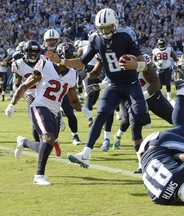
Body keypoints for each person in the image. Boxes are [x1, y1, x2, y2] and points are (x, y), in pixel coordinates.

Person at [45, 8, 151, 168]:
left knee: (141, 118)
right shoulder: (96, 39)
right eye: (102, 29)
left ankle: (146, 157)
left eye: (107, 28)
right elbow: (81, 62)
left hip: (131, 84)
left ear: (114, 25)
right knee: (100, 114)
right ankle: (86, 154)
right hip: (113, 85)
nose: (105, 32)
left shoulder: (124, 38)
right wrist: (60, 61)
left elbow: (144, 64)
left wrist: (136, 64)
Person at [4, 42, 89, 185]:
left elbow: (73, 100)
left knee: (46, 146)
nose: (71, 59)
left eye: (72, 56)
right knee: (49, 139)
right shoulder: (45, 65)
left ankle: (23, 142)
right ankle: (38, 176)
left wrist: (84, 109)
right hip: (39, 106)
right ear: (60, 56)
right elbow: (25, 85)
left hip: (54, 112)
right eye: (68, 56)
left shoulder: (73, 74)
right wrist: (12, 103)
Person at [11, 40, 44, 143]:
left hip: (44, 94)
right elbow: (16, 85)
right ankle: (40, 146)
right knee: (35, 123)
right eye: (30, 51)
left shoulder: (44, 61)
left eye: (35, 51)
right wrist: (24, 95)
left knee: (49, 122)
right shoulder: (19, 64)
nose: (33, 54)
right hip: (30, 95)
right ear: (25, 51)